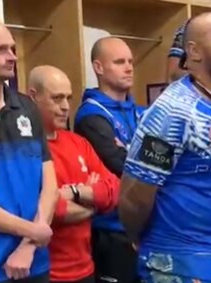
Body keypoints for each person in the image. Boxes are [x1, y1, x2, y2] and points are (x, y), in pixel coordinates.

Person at [119, 12, 211, 282]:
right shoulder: (172, 111)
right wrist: (139, 237)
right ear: (194, 52)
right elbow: (135, 195)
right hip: (178, 257)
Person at [28, 65, 121, 283]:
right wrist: (93, 201)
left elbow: (114, 190)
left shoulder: (78, 143)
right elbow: (51, 211)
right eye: (57, 98)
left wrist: (72, 192)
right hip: (47, 273)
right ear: (33, 97)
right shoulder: (27, 150)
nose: (65, 107)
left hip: (87, 268)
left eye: (68, 98)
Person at [0, 18, 59, 283]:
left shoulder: (28, 108)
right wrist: (34, 231)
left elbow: (49, 184)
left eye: (12, 49)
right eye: (0, 49)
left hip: (34, 263)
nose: (12, 57)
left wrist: (28, 245)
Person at [74, 37, 144, 283]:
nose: (128, 67)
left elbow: (168, 157)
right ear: (98, 67)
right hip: (111, 231)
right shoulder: (91, 116)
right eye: (119, 62)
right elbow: (119, 165)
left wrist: (132, 153)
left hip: (146, 227)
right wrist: (145, 156)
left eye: (130, 62)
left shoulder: (141, 112)